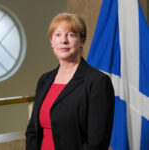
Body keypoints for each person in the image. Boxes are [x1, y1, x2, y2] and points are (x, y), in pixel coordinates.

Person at [25, 12, 115, 150]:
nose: (63, 41)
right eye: (58, 35)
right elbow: (32, 130)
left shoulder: (98, 82)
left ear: (82, 41)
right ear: (51, 41)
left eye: (71, 35)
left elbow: (97, 142)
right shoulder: (44, 80)